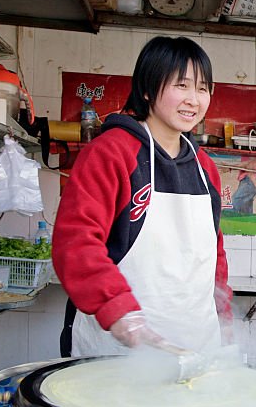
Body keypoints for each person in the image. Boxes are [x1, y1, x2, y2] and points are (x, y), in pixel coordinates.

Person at [53, 36, 233, 357]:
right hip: (118, 349)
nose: (194, 99)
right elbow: (76, 243)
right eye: (181, 85)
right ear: (148, 89)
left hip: (195, 347)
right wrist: (121, 314)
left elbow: (213, 253)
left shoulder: (205, 167)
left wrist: (225, 315)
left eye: (203, 88)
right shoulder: (111, 154)